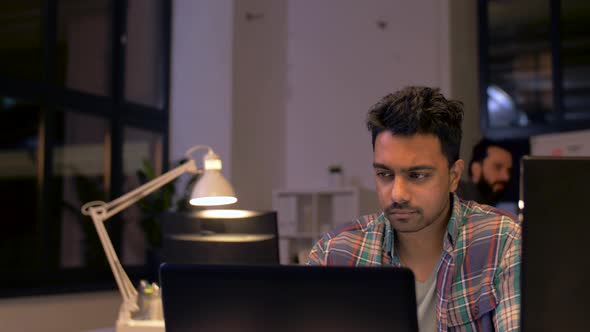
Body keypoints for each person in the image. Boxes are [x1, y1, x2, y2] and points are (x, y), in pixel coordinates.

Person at [307, 87, 520, 332]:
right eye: (384, 174)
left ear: (454, 176)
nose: (398, 194)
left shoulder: (502, 241)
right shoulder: (335, 255)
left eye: (417, 175)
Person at [456, 139, 513, 206]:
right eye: (497, 167)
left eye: (509, 170)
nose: (506, 177)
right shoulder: (453, 198)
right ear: (476, 170)